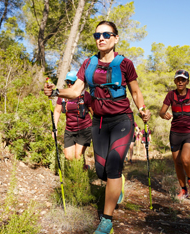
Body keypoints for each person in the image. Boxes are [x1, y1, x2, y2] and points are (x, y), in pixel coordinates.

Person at [44, 21, 150, 234]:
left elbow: (135, 92)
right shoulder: (88, 64)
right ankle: (116, 182)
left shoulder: (125, 64)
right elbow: (75, 92)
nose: (101, 38)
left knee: (112, 165)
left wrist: (142, 108)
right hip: (99, 122)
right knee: (101, 171)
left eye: (106, 34)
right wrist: (55, 92)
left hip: (122, 120)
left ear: (115, 38)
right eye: (97, 34)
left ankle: (107, 219)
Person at [159, 69, 190, 199]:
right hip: (175, 133)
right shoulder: (170, 95)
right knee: (177, 162)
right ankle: (183, 190)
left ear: (187, 82)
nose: (180, 82)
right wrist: (164, 115)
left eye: (183, 80)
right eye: (178, 79)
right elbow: (161, 112)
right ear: (175, 81)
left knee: (185, 159)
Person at [53, 71, 93, 169]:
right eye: (68, 82)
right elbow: (57, 111)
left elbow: (94, 112)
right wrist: (55, 128)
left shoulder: (85, 95)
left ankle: (80, 179)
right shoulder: (63, 96)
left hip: (85, 129)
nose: (69, 84)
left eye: (72, 82)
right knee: (68, 156)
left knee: (78, 156)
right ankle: (82, 169)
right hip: (70, 130)